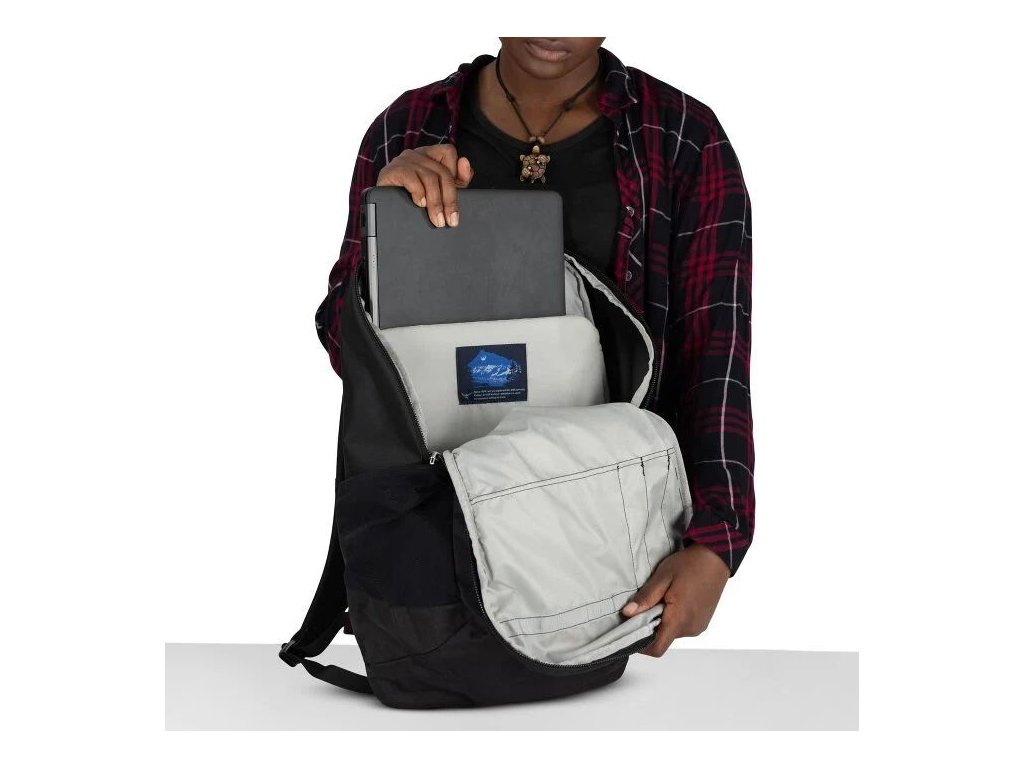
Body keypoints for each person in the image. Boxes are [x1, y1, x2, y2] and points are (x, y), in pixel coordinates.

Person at [316, 37, 754, 657]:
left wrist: (717, 543)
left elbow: (717, 352)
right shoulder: (405, 127)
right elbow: (344, 345)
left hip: (602, 538)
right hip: (430, 532)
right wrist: (388, 219)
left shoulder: (683, 137)